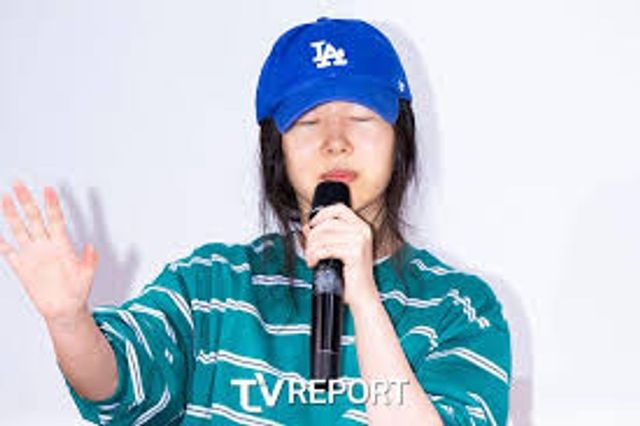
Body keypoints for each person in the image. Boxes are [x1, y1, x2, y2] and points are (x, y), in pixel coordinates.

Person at [0, 17, 511, 425]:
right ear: (276, 150)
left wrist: (362, 297)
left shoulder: (460, 309)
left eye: (360, 117)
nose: (335, 141)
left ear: (401, 137)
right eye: (308, 122)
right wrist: (67, 321)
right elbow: (117, 389)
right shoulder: (212, 285)